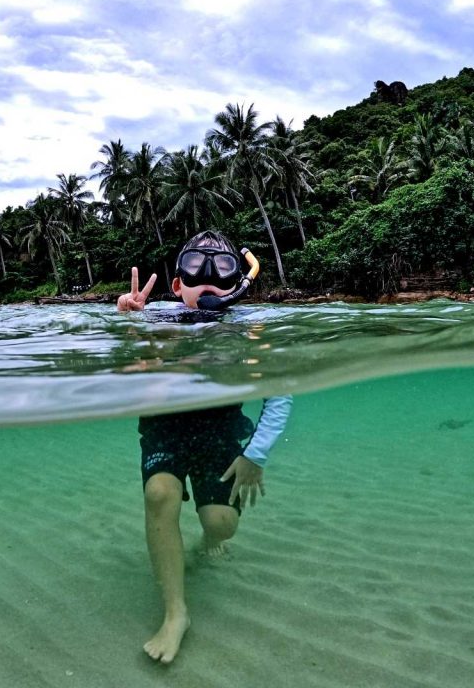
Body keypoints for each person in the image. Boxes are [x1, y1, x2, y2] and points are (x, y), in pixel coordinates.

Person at [117, 229, 293, 664]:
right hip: (166, 427)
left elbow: (281, 391)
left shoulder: (250, 331)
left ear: (237, 283)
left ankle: (208, 539)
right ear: (178, 286)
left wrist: (255, 454)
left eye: (223, 269)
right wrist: (127, 325)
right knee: (161, 493)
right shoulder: (155, 319)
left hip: (220, 431)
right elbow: (126, 369)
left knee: (222, 523)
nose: (209, 279)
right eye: (195, 267)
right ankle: (176, 614)